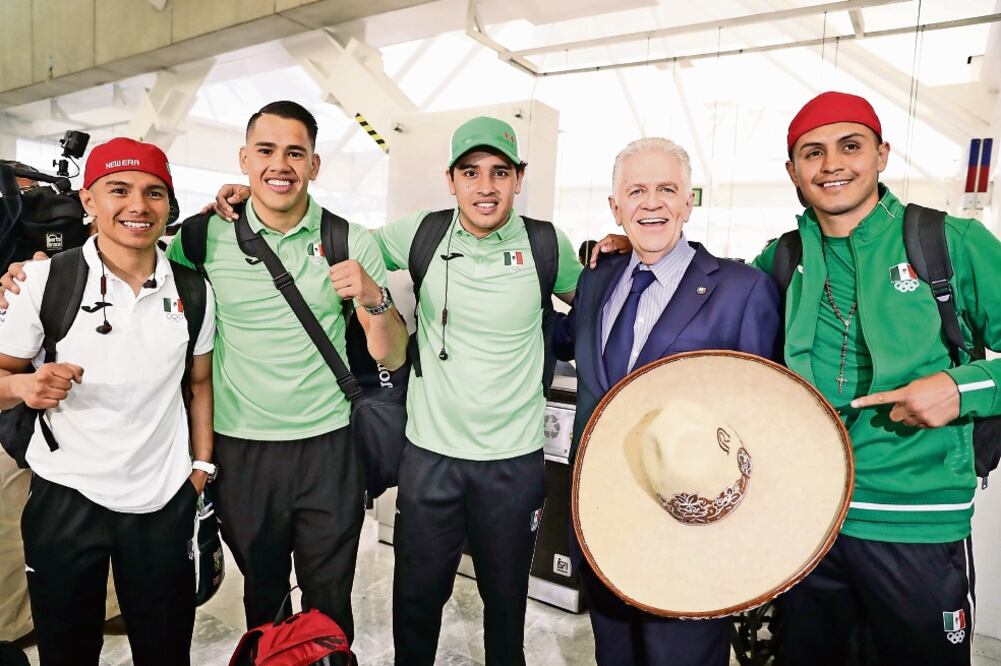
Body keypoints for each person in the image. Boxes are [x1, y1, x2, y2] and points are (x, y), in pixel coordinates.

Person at [207, 116, 583, 664]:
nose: (485, 186)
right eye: (470, 173)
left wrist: (620, 251)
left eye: (499, 172)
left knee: (505, 606)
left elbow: (601, 306)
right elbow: (333, 238)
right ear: (451, 179)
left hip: (513, 461)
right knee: (415, 602)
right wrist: (253, 201)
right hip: (429, 456)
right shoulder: (421, 233)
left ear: (518, 179)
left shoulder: (548, 245)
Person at [751, 91, 1001, 665]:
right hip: (810, 520)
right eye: (812, 153)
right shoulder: (782, 258)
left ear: (882, 154)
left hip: (916, 520)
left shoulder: (950, 243)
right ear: (793, 172)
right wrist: (624, 253)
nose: (832, 164)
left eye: (851, 146)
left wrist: (962, 388)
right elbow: (715, 302)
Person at [164, 101, 408, 640]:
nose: (281, 164)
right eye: (267, 151)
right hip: (242, 448)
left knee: (329, 601)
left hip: (329, 447)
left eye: (295, 152)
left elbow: (392, 356)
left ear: (315, 165)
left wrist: (373, 298)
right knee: (264, 598)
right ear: (245, 160)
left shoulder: (349, 239)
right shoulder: (201, 240)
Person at [553, 137, 781, 665]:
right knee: (613, 652)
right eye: (636, 191)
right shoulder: (598, 276)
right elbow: (565, 344)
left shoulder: (742, 289)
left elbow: (763, 418)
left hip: (692, 534)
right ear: (616, 207)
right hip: (602, 518)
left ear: (688, 203)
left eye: (666, 189)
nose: (650, 203)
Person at [0, 138, 216, 665]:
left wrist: (200, 468)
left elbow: (200, 383)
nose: (138, 206)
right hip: (66, 495)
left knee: (164, 649)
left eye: (154, 192)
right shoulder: (43, 281)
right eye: (118, 190)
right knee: (67, 649)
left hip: (163, 498)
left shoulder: (192, 289)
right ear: (88, 201)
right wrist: (24, 386)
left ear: (169, 206)